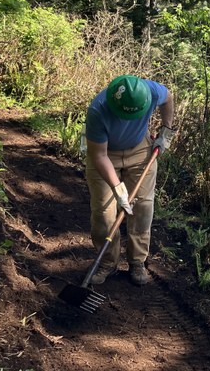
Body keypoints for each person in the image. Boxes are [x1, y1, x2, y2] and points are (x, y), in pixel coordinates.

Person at [83, 74, 175, 286]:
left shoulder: (151, 91)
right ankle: (107, 263)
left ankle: (137, 262)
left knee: (142, 207)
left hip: (140, 148)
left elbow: (168, 98)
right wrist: (118, 188)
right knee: (104, 212)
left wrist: (166, 131)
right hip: (106, 153)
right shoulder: (98, 109)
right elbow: (99, 156)